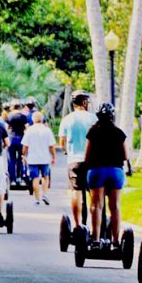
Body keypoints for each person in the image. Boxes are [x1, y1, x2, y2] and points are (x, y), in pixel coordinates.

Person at [85, 103, 132, 246]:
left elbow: (87, 155)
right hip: (115, 171)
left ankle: (96, 239)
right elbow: (125, 156)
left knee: (96, 206)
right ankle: (116, 240)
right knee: (115, 206)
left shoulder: (93, 132)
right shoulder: (119, 133)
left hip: (97, 170)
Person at [58, 90, 97, 228]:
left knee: (76, 191)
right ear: (85, 102)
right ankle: (95, 226)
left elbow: (62, 142)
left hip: (74, 160)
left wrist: (67, 151)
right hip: (92, 161)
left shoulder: (67, 119)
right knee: (94, 193)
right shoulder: (94, 119)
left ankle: (77, 224)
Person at [22, 111, 55, 206]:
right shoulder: (47, 130)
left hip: (32, 159)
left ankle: (37, 200)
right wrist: (53, 157)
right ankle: (45, 194)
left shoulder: (29, 130)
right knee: (45, 177)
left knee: (35, 178)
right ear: (42, 119)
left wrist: (23, 155)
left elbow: (25, 146)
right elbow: (51, 146)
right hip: (45, 158)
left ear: (33, 120)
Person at [6, 99, 28, 186]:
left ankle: (13, 180)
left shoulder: (9, 116)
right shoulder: (23, 116)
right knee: (20, 159)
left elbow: (7, 128)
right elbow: (27, 128)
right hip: (21, 139)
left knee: (12, 160)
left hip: (11, 139)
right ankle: (20, 178)